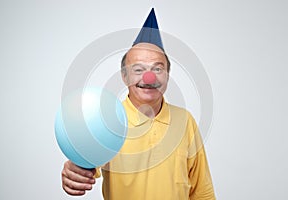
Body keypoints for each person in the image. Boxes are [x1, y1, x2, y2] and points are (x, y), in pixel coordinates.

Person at [61, 8, 215, 200]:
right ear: (125, 76)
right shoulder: (108, 121)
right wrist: (73, 170)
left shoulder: (185, 121)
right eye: (138, 69)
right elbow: (84, 165)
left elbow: (201, 191)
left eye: (157, 68)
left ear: (167, 75)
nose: (148, 78)